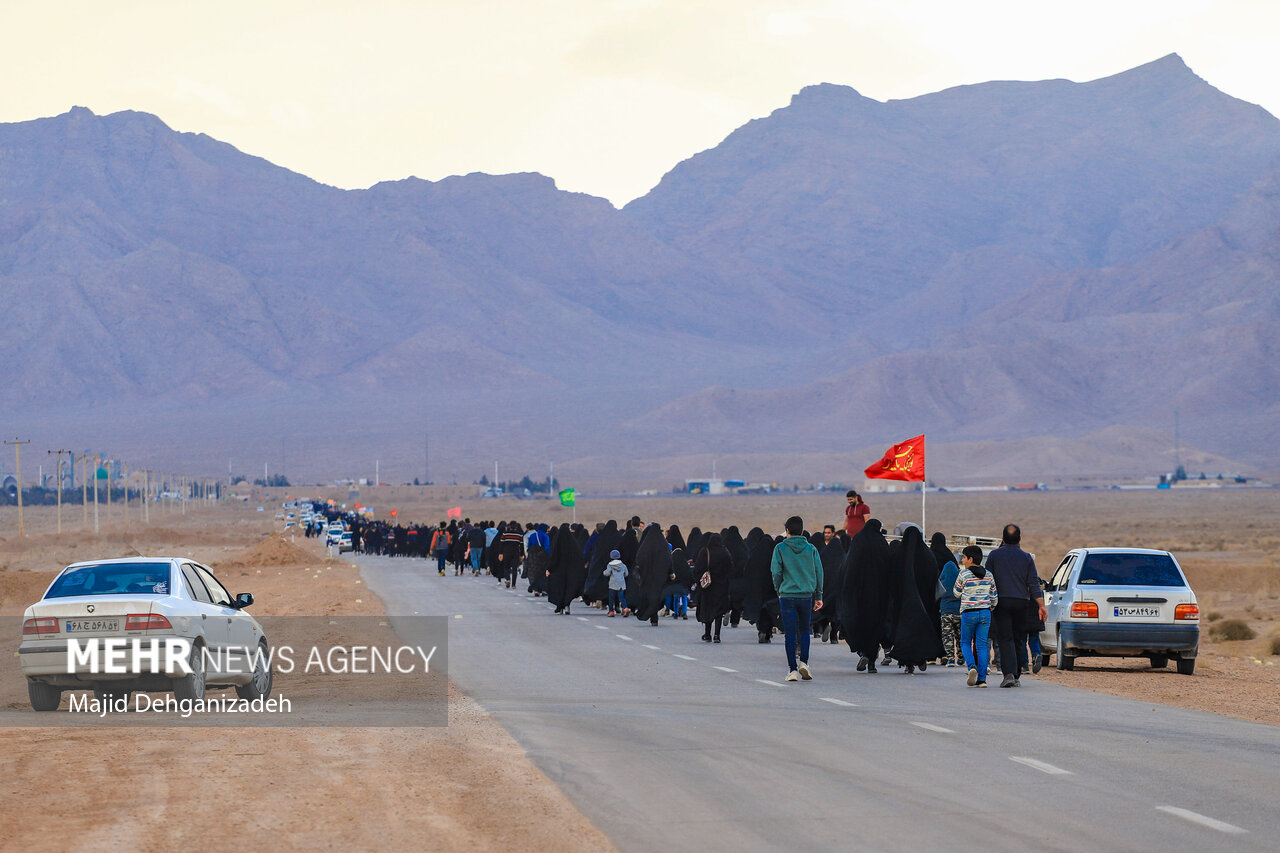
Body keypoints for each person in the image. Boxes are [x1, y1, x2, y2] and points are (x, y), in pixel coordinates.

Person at [986, 524, 1045, 688]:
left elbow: (987, 580)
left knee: (1005, 638)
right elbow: (1033, 583)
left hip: (1001, 602)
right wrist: (1041, 605)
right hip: (1022, 602)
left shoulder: (994, 556)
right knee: (1019, 638)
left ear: (1003, 538)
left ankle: (1009, 674)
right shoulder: (1026, 558)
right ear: (1020, 539)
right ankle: (1016, 674)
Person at [770, 515, 824, 682]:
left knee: (790, 634)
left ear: (787, 531)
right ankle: (804, 663)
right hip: (806, 596)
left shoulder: (780, 548)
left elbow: (776, 572)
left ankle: (792, 669)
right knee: (805, 630)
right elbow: (819, 572)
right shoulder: (811, 549)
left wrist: (779, 589)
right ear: (802, 531)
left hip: (787, 596)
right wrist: (819, 595)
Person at [954, 545, 997, 687]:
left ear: (970, 559)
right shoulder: (989, 575)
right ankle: (982, 679)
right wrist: (990, 607)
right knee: (982, 645)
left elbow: (956, 592)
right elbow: (994, 597)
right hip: (985, 612)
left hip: (968, 613)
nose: (962, 560)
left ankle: (972, 667)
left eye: (964, 557)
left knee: (965, 642)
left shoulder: (963, 574)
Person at [931, 533, 963, 666]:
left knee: (940, 628)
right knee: (957, 632)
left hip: (936, 597)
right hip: (954, 601)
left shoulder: (930, 554)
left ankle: (933, 654)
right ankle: (950, 655)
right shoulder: (950, 557)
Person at [604, 549, 630, 616]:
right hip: (621, 584)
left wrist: (604, 572)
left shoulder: (610, 565)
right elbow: (626, 574)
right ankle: (625, 608)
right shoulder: (623, 565)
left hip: (612, 584)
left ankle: (611, 611)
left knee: (611, 598)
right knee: (621, 597)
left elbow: (607, 573)